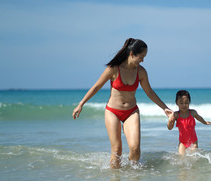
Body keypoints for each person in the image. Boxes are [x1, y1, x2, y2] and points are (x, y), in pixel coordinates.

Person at [72, 38, 172, 168]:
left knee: (135, 149)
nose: (143, 60)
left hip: (131, 111)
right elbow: (96, 87)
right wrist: (81, 104)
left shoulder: (141, 72)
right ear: (132, 54)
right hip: (113, 112)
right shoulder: (113, 69)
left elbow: (150, 92)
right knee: (117, 151)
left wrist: (165, 108)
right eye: (141, 57)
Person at [167, 90, 211, 155]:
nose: (184, 105)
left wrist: (204, 122)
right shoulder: (176, 115)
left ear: (189, 102)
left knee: (193, 158)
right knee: (181, 158)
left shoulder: (193, 112)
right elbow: (169, 128)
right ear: (177, 103)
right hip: (182, 142)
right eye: (181, 103)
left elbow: (199, 118)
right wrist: (170, 120)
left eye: (186, 103)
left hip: (193, 141)